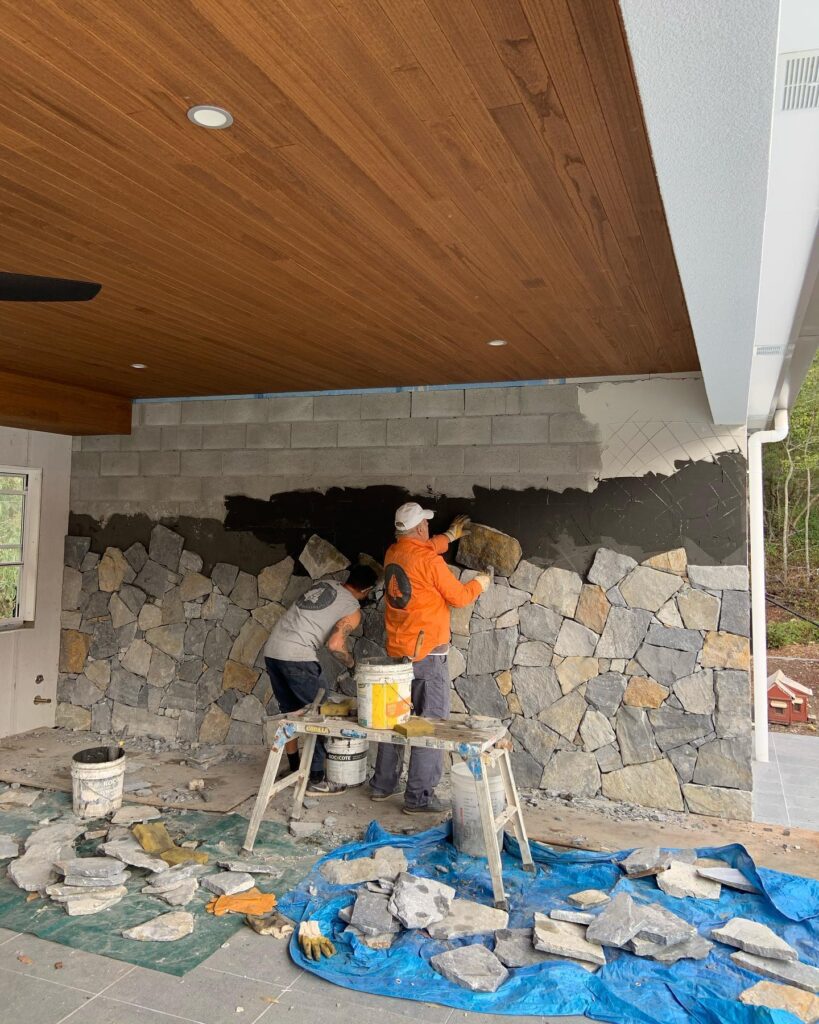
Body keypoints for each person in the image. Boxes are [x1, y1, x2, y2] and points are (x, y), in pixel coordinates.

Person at [370, 502, 490, 813]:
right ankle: (419, 798)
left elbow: (421, 551)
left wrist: (449, 536)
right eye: (426, 525)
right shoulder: (429, 561)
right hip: (427, 655)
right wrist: (480, 583)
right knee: (430, 725)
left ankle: (383, 785)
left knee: (395, 720)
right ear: (421, 527)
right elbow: (459, 597)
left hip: (397, 651)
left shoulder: (394, 552)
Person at [264, 562, 377, 795]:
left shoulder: (325, 584)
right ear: (366, 590)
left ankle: (295, 767)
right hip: (298, 657)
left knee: (291, 711)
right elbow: (335, 645)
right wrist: (352, 664)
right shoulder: (353, 609)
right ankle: (315, 779)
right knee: (319, 716)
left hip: (273, 651)